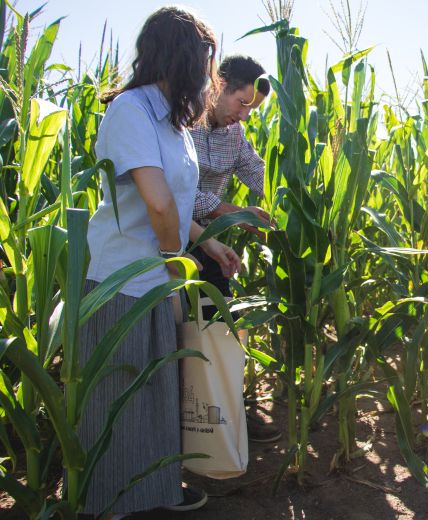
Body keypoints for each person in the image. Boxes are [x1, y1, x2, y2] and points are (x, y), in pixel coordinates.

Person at [79, 7, 240, 516]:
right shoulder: (131, 109)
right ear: (180, 57)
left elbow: (176, 198)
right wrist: (177, 258)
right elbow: (156, 202)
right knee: (118, 396)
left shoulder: (172, 120)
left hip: (156, 276)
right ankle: (109, 503)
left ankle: (156, 490)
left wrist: (206, 242)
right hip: (121, 280)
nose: (210, 75)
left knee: (155, 391)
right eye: (204, 61)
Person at [190, 54, 281, 444]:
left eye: (253, 108)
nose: (245, 115)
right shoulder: (182, 124)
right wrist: (234, 213)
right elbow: (176, 192)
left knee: (220, 328)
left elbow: (263, 176)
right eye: (241, 103)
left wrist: (301, 197)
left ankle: (228, 415)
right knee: (179, 336)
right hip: (168, 239)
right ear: (217, 84)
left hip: (208, 242)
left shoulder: (235, 136)